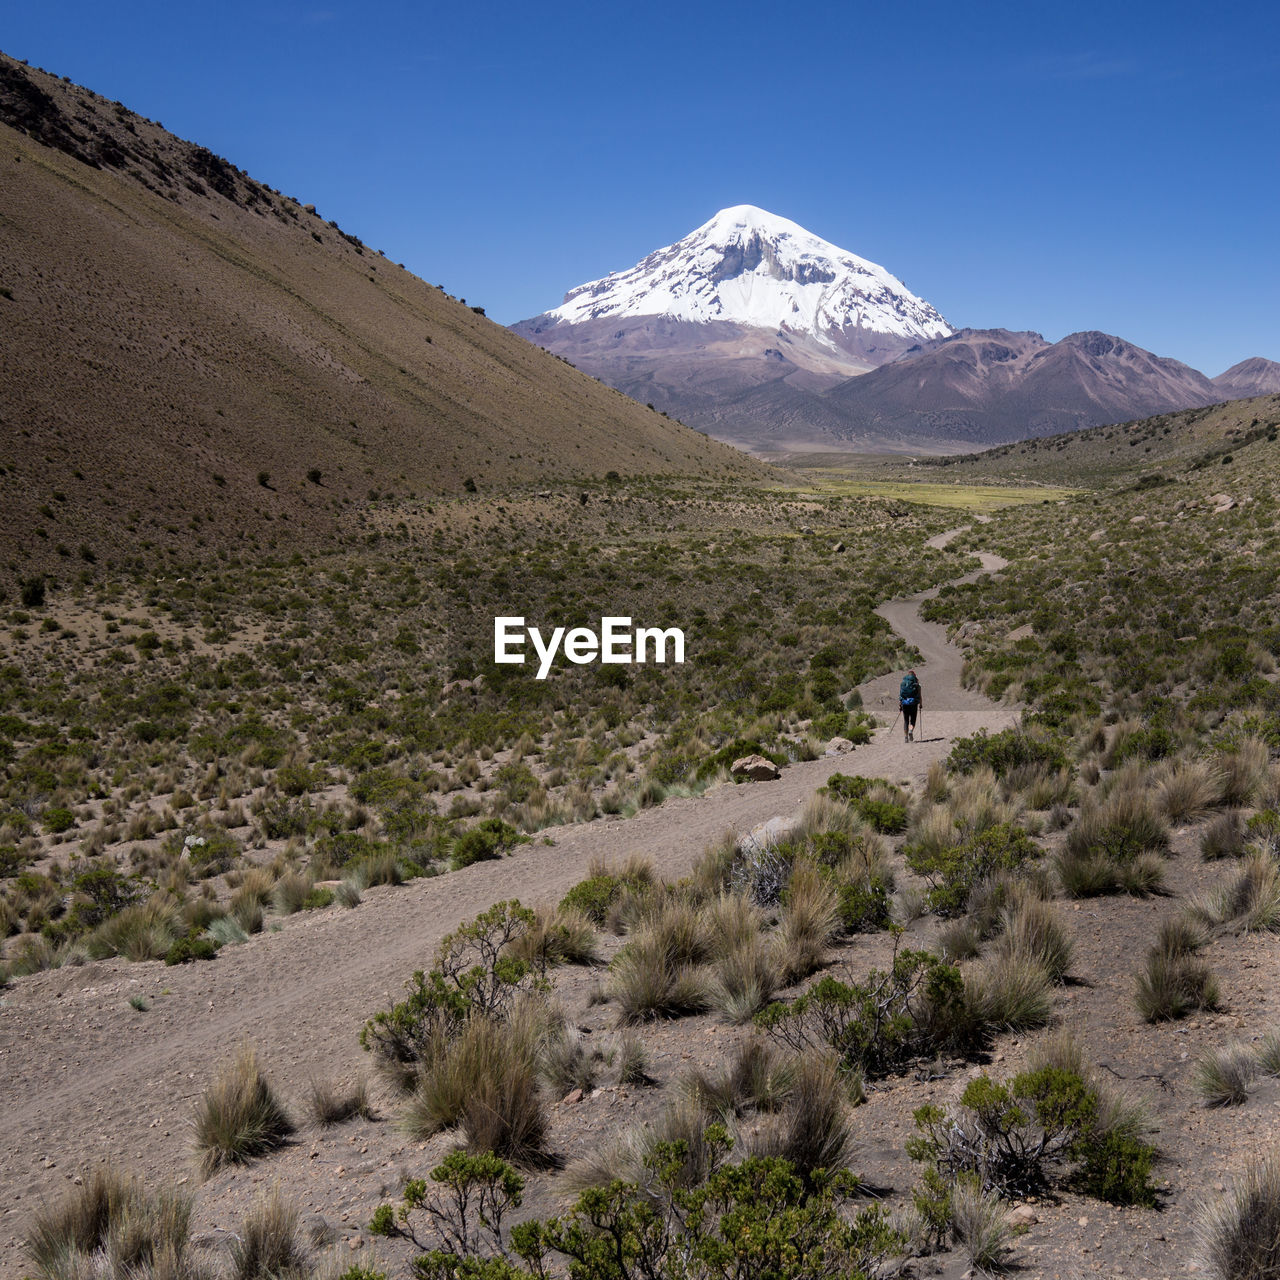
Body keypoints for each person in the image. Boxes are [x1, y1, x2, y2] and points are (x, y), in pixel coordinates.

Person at [899, 669, 922, 742]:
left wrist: (900, 705)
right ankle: (911, 731)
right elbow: (920, 696)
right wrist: (920, 704)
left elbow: (901, 695)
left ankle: (906, 737)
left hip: (905, 703)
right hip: (913, 704)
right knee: (912, 720)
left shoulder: (903, 683)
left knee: (906, 721)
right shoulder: (917, 685)